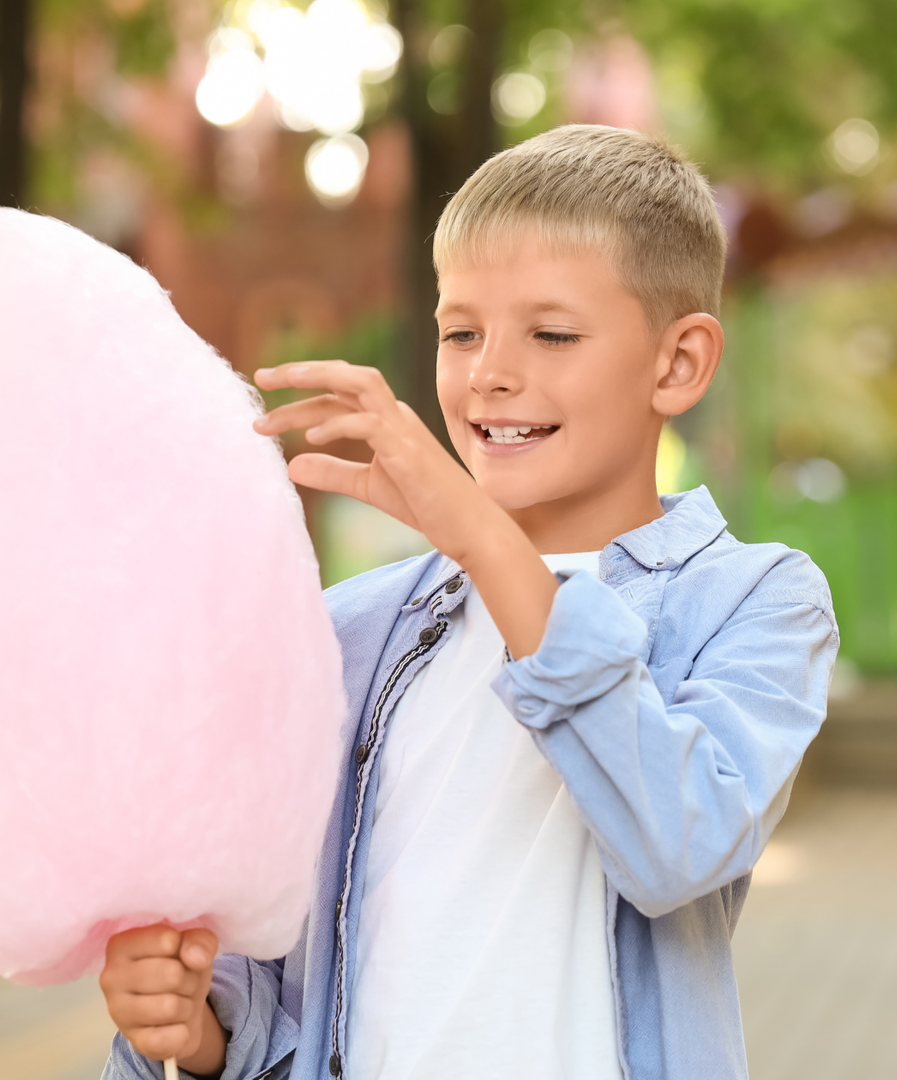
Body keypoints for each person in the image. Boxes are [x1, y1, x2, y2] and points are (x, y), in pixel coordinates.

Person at [97, 124, 838, 1080]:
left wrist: (481, 536)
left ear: (678, 364)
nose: (489, 370)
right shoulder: (350, 631)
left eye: (552, 333)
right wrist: (192, 1030)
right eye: (460, 331)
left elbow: (681, 845)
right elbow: (279, 990)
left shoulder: (754, 602)